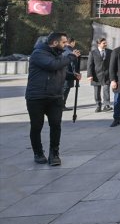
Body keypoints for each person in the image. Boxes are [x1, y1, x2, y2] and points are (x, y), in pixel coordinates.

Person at [25, 32, 80, 166]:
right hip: (37, 97)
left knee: (56, 125)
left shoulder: (58, 55)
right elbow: (52, 65)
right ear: (55, 43)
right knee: (37, 126)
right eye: (63, 42)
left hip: (55, 96)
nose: (66, 44)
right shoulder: (38, 53)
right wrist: (72, 57)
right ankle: (38, 153)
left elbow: (58, 69)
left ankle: (54, 153)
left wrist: (72, 75)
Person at [87, 38, 111, 112]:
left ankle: (106, 105)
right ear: (99, 44)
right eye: (104, 43)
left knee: (106, 90)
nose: (105, 44)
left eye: (106, 43)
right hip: (96, 75)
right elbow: (90, 65)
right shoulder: (93, 53)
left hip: (107, 75)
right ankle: (98, 105)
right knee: (97, 91)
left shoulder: (110, 52)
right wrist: (89, 75)